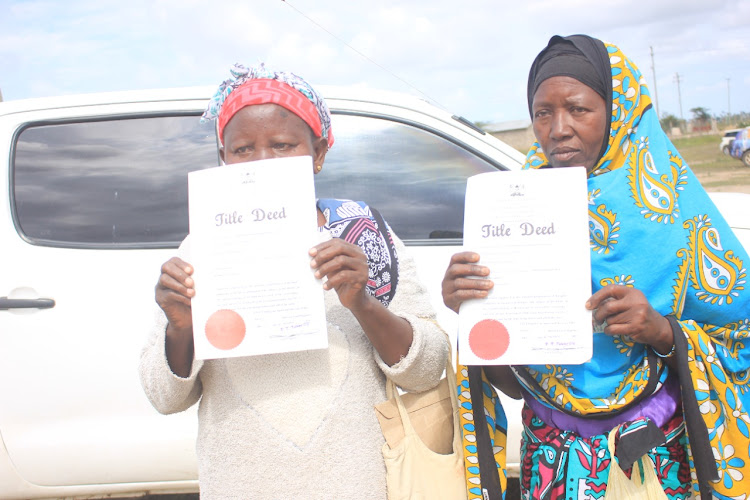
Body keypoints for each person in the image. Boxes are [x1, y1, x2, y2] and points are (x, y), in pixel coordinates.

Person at [443, 35, 750, 500]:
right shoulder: (512, 213)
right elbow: (511, 382)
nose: (558, 128)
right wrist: (471, 315)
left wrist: (664, 332)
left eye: (578, 109)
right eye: (542, 113)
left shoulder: (677, 214)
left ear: (616, 111)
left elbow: (739, 338)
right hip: (548, 462)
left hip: (655, 463)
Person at [139, 64, 449, 499]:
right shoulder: (200, 249)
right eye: (243, 150)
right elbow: (164, 397)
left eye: (283, 145)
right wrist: (180, 326)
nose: (263, 163)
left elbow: (428, 368)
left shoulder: (363, 236)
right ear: (223, 158)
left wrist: (363, 303)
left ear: (318, 152)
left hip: (358, 484)